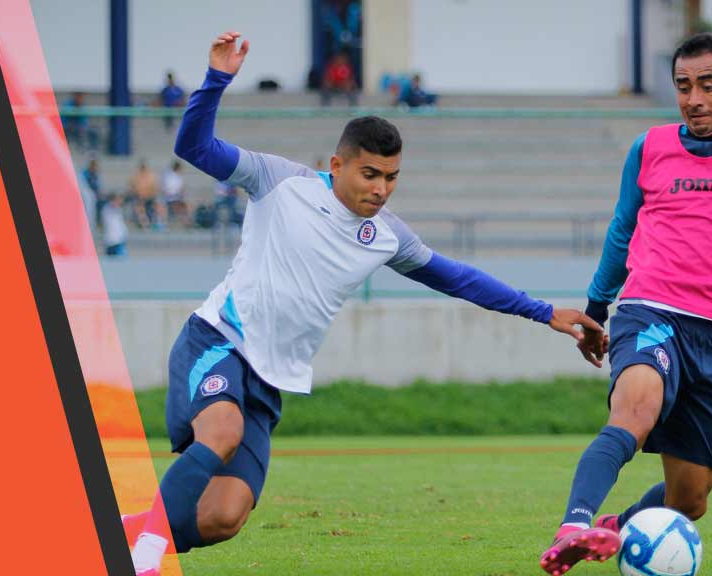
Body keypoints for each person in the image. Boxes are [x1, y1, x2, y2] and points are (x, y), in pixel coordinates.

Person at [122, 31, 604, 576]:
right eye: (369, 174)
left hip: (269, 379)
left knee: (223, 516)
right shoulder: (279, 181)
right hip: (216, 340)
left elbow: (461, 279)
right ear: (337, 164)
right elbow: (193, 148)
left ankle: (110, 535)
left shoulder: (389, 237)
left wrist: (544, 312)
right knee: (222, 434)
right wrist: (216, 80)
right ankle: (143, 560)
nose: (380, 189)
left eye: (392, 178)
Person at [539, 9, 712, 574]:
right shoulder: (650, 147)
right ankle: (572, 524)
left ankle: (614, 529)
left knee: (690, 499)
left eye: (708, 85)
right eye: (683, 86)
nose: (693, 99)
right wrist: (597, 310)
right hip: (651, 311)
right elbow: (622, 232)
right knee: (635, 407)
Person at [130, 160, 162, 229]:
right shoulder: (136, 177)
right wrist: (140, 193)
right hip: (139, 198)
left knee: (159, 205)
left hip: (150, 197)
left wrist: (148, 193)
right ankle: (145, 224)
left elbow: (155, 188)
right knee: (139, 206)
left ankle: (159, 224)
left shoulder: (151, 176)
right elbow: (133, 189)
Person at [161, 160, 189, 227]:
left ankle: (187, 223)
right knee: (176, 205)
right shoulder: (168, 176)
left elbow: (181, 189)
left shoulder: (179, 177)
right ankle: (165, 223)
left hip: (177, 197)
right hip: (169, 198)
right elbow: (166, 189)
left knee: (188, 205)